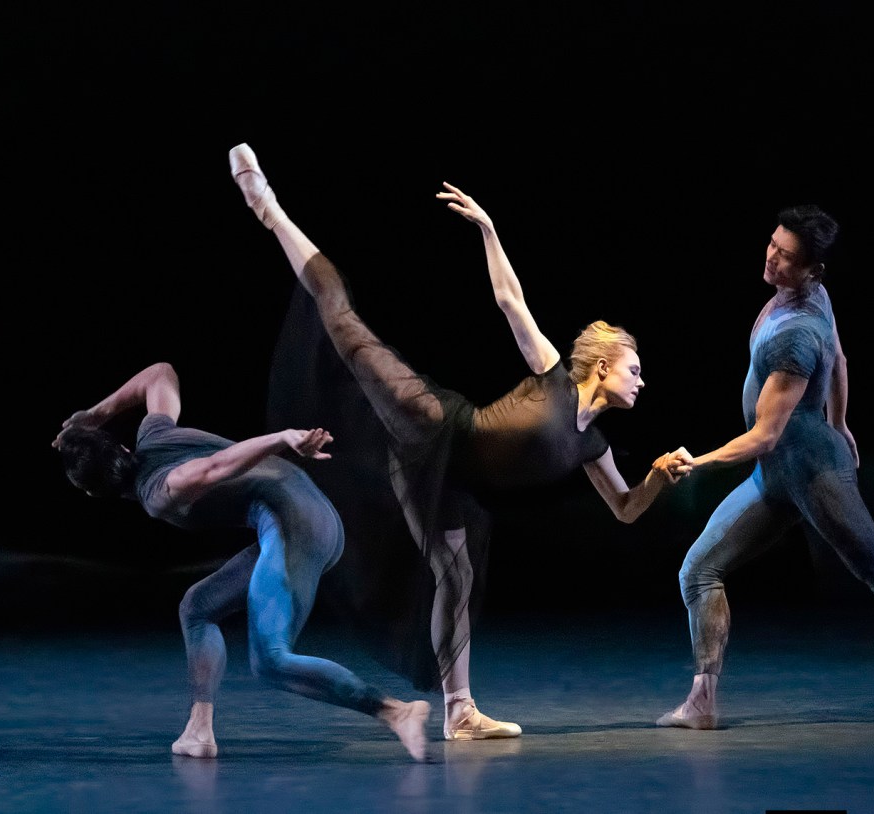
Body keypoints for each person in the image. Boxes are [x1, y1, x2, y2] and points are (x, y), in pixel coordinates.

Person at [228, 143, 687, 741]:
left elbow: (626, 509)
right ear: (600, 366)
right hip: (436, 426)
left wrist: (656, 476)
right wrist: (491, 231)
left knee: (457, 577)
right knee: (346, 326)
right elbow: (509, 301)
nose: (641, 380)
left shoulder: (591, 448)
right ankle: (269, 208)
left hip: (453, 486)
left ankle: (459, 713)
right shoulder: (552, 373)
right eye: (634, 369)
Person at [656, 205, 874, 729]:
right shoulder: (807, 299)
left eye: (786, 258)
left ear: (814, 271)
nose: (772, 259)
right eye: (772, 246)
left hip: (813, 473)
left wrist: (699, 462)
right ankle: (702, 702)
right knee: (698, 570)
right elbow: (843, 358)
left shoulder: (798, 333)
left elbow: (765, 434)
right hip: (772, 479)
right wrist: (842, 419)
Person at [52, 361, 431, 761]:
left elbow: (213, 467)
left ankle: (395, 711)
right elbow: (160, 373)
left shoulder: (159, 492)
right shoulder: (153, 433)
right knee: (197, 608)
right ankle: (199, 731)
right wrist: (99, 413)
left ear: (94, 495)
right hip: (303, 516)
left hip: (298, 526)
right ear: (124, 447)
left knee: (271, 660)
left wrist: (282, 437)